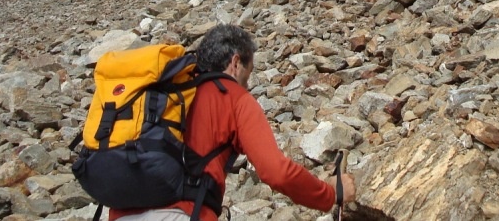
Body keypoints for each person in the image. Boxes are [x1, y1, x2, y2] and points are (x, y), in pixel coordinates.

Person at [109, 24, 356, 221]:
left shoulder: (165, 94)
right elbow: (276, 172)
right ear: (236, 63)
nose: (246, 86)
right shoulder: (233, 97)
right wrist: (332, 193)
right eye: (247, 77)